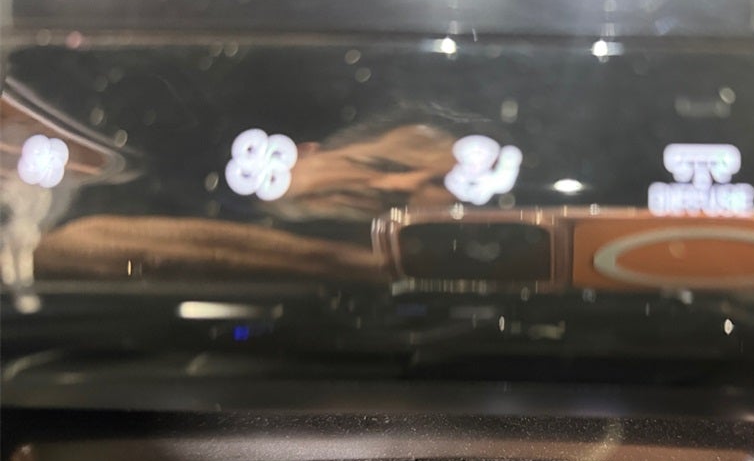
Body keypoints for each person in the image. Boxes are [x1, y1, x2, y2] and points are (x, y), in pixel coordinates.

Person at [33, 107, 488, 281]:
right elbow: (62, 249)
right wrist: (353, 267)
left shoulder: (377, 299)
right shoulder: (162, 165)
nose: (395, 186)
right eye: (384, 165)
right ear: (307, 150)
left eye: (435, 185)